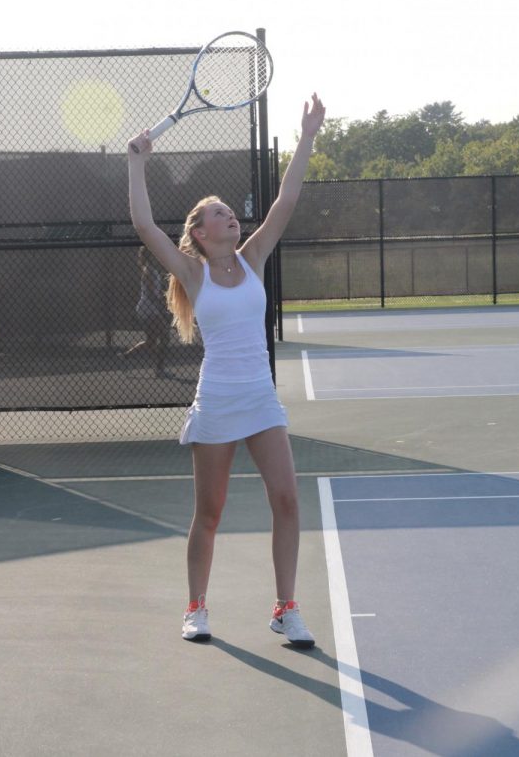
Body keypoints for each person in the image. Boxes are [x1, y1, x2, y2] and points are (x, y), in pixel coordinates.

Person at [127, 93, 325, 648]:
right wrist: (135, 162)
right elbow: (144, 226)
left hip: (261, 400)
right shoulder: (192, 274)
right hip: (216, 401)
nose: (229, 215)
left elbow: (285, 201)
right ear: (199, 233)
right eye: (217, 212)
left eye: (229, 210)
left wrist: (307, 135)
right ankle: (195, 607)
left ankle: (286, 608)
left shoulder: (253, 257)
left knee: (287, 500)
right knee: (208, 515)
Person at [119, 246, 169, 376]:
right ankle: (159, 369)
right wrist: (161, 308)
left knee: (151, 341)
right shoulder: (149, 271)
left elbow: (156, 292)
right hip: (148, 309)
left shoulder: (151, 270)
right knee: (164, 336)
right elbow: (152, 294)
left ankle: (125, 356)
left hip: (150, 308)